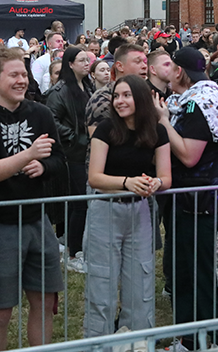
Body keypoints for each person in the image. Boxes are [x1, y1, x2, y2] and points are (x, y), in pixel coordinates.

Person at [0, 47, 66, 352]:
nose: (22, 80)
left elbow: (59, 159)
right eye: (14, 74)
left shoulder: (40, 112)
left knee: (46, 302)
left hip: (38, 220)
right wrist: (28, 156)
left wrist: (43, 165)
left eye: (24, 73)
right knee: (1, 310)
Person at [154, 47, 218, 348]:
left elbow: (190, 155)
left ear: (179, 71)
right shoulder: (189, 100)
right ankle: (189, 340)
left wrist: (163, 121)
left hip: (211, 203)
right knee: (184, 274)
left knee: (211, 275)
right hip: (187, 202)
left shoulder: (201, 103)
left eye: (168, 65)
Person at [84, 76, 171, 337]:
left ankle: (137, 341)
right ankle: (98, 342)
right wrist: (126, 182)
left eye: (126, 95)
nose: (119, 101)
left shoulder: (158, 131)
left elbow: (166, 178)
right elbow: (95, 177)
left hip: (141, 211)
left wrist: (154, 182)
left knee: (141, 284)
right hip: (106, 209)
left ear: (141, 98)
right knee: (102, 285)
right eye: (116, 96)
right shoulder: (106, 129)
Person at [44, 46, 94, 272]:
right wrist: (74, 137)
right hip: (72, 153)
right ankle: (73, 252)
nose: (87, 63)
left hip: (88, 152)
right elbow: (52, 119)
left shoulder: (89, 86)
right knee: (78, 203)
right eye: (82, 60)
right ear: (70, 64)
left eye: (88, 60)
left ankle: (79, 246)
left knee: (84, 202)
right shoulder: (59, 90)